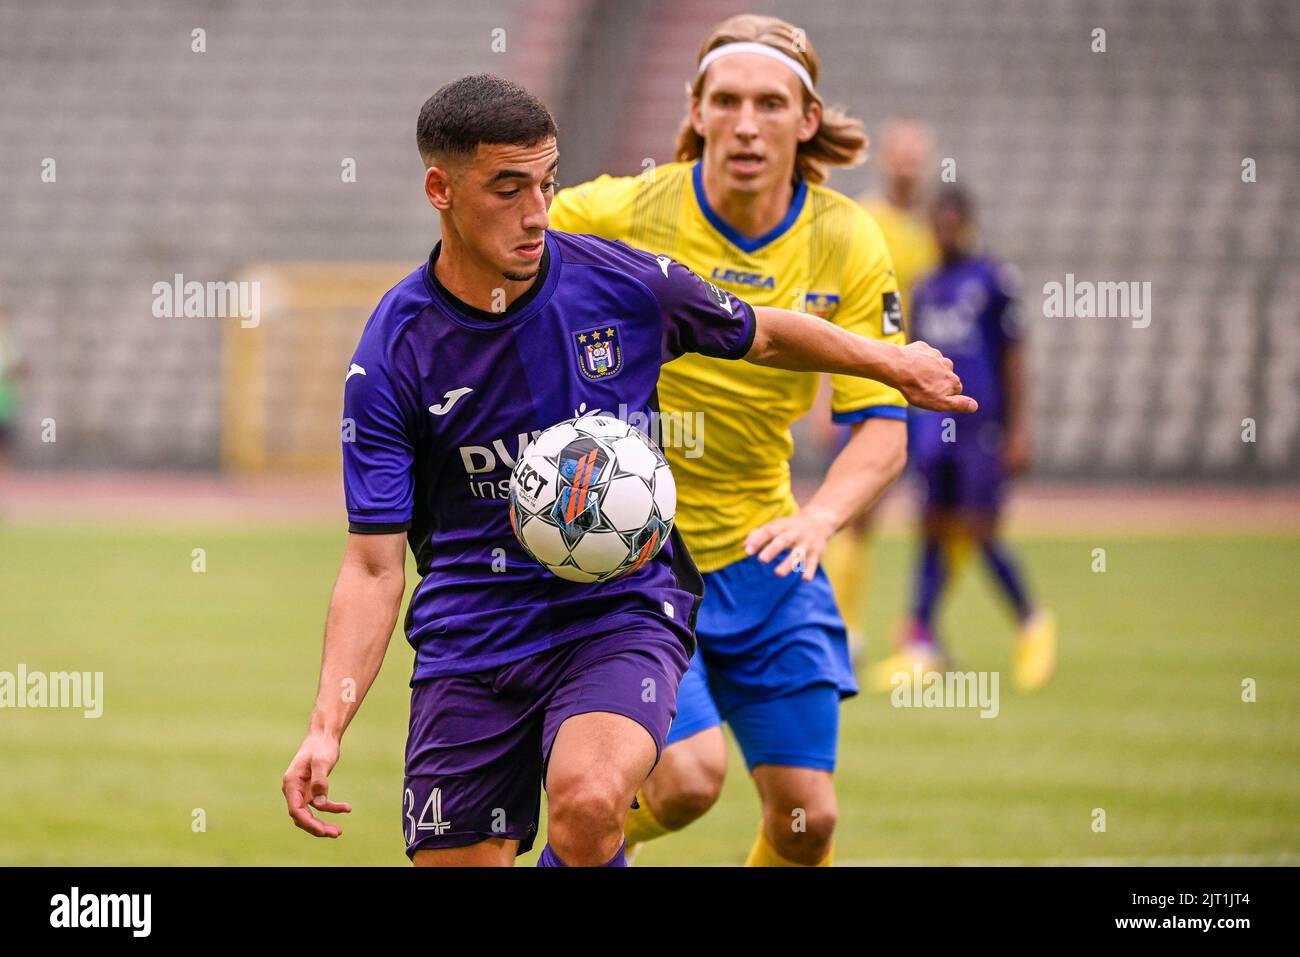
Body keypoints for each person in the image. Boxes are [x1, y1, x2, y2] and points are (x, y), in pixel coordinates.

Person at [280, 73, 974, 867]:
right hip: (471, 633)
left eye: (546, 183)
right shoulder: (392, 355)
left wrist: (891, 362)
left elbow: (765, 333)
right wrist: (326, 726)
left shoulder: (621, 282)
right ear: (440, 189)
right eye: (507, 190)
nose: (536, 211)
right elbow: (372, 568)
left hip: (619, 612)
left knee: (589, 798)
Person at [549, 14, 918, 866]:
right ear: (697, 110)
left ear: (808, 118)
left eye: (770, 102)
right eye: (728, 101)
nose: (747, 122)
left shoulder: (847, 240)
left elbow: (882, 429)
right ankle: (584, 842)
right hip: (636, 557)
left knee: (807, 823)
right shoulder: (620, 211)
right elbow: (507, 252)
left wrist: (821, 519)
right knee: (684, 780)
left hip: (767, 550)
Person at [867, 185, 1056, 693]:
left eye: (953, 223)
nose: (945, 232)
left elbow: (1014, 357)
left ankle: (1033, 623)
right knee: (930, 528)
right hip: (934, 430)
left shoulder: (993, 280)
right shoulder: (925, 289)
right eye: (938, 223)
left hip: (981, 427)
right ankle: (923, 642)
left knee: (979, 529)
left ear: (966, 225)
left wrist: (1019, 430)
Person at [822, 120, 945, 649]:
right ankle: (841, 623)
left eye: (915, 158)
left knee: (941, 514)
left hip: (931, 386)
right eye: (900, 157)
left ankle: (918, 627)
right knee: (858, 509)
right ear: (884, 161)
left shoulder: (937, 231)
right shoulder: (863, 220)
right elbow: (833, 306)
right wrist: (826, 393)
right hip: (871, 379)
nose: (907, 166)